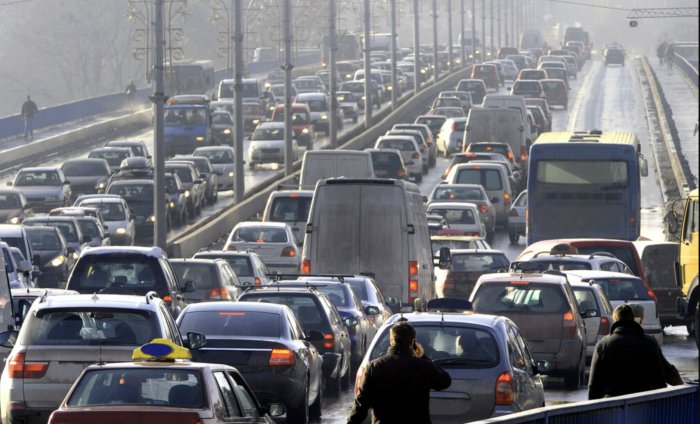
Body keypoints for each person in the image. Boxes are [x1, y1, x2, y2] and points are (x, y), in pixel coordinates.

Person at [347, 321, 451, 424]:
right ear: (413, 342)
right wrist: (423, 357)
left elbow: (361, 405)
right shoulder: (424, 366)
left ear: (391, 340)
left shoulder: (374, 367)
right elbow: (445, 382)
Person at [588, 304, 666, 399]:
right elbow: (659, 381)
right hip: (643, 405)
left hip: (612, 406)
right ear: (633, 318)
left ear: (615, 319)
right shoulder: (650, 343)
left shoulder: (603, 345)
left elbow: (594, 385)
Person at [628, 302, 683, 386]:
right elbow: (668, 371)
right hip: (647, 395)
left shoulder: (605, 344)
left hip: (612, 397)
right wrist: (682, 388)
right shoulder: (649, 343)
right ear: (641, 319)